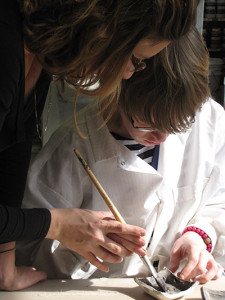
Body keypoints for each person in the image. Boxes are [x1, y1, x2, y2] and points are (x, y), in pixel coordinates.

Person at [0, 0, 200, 290]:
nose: (129, 74)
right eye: (134, 57)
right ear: (105, 28)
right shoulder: (5, 48)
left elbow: (10, 154)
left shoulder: (38, 57)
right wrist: (56, 224)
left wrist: (4, 268)